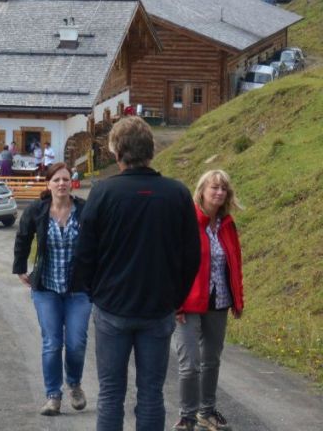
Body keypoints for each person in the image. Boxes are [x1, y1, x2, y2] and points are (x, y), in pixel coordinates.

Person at [73, 116, 201, 431]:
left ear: (117, 152)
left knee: (111, 393)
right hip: (158, 308)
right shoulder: (177, 194)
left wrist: (95, 292)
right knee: (151, 393)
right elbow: (191, 256)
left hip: (112, 307)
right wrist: (175, 297)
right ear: (151, 150)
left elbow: (83, 254)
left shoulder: (103, 193)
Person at [13, 163, 92, 417]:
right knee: (52, 343)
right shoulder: (37, 210)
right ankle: (53, 396)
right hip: (46, 288)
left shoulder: (83, 210)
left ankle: (75, 385)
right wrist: (20, 267)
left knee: (77, 342)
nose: (61, 184)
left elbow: (98, 242)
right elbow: (23, 236)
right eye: (56, 179)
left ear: (72, 183)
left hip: (78, 289)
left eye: (66, 179)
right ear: (48, 184)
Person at [173, 170, 244, 431]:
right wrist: (175, 302)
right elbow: (174, 264)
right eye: (214, 188)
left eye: (223, 189)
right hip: (188, 303)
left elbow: (234, 263)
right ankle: (187, 415)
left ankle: (207, 411)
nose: (219, 193)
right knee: (189, 363)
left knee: (211, 359)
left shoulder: (227, 224)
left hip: (219, 300)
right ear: (201, 190)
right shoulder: (187, 221)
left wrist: (238, 299)